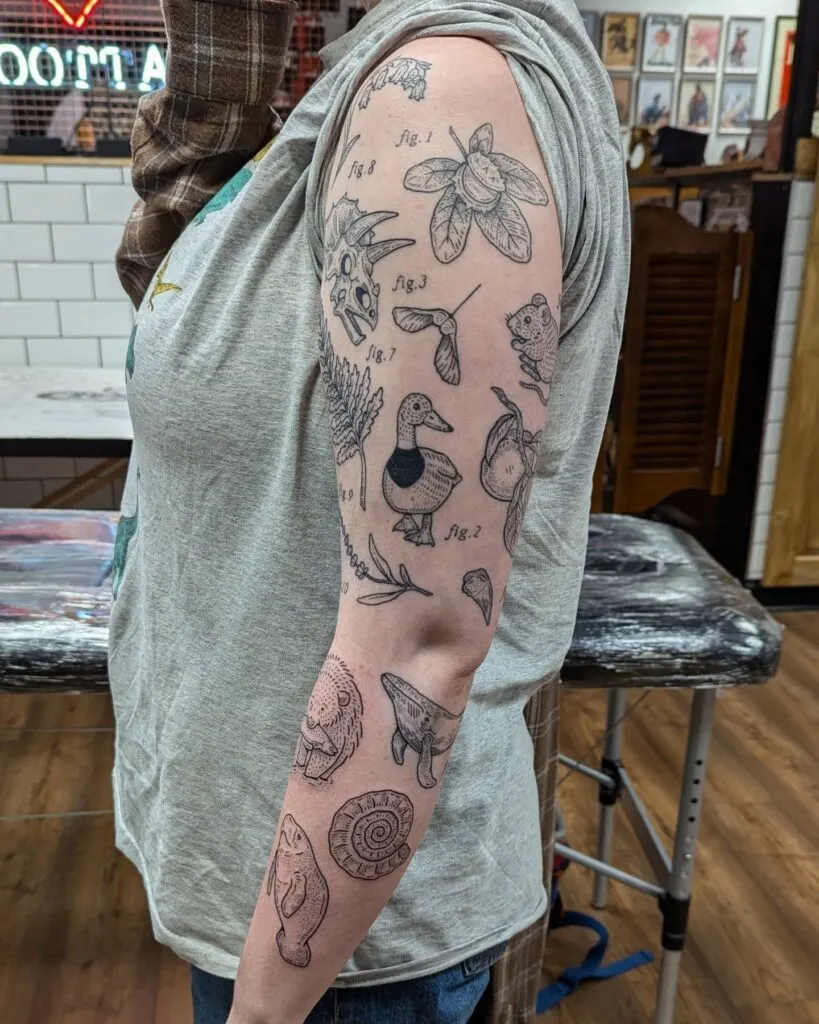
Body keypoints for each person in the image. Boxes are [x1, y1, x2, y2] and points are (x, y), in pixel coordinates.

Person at [111, 0, 629, 1021]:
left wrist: (267, 1010)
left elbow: (418, 645)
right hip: (281, 901)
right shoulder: (381, 77)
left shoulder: (442, 100)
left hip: (329, 961)